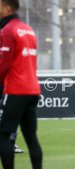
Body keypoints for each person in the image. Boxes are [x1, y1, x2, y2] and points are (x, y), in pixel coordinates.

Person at [0, 0, 43, 169]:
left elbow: (4, 64)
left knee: (3, 135)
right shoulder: (29, 30)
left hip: (16, 89)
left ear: (7, 7)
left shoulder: (8, 30)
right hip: (32, 89)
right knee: (31, 137)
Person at [0, 86, 24, 154]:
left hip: (9, 90)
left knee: (13, 118)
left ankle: (11, 145)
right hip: (8, 91)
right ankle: (10, 145)